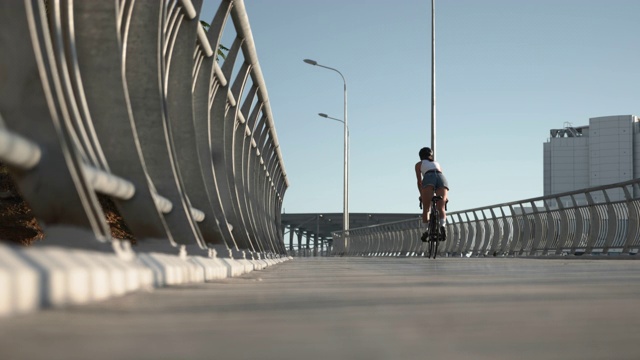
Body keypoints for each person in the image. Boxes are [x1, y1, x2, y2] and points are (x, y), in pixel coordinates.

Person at [415, 147, 449, 242]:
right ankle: (442, 226)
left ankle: (425, 231)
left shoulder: (419, 164)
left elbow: (419, 182)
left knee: (426, 208)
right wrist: (446, 198)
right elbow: (440, 174)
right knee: (441, 207)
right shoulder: (437, 164)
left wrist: (422, 195)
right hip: (442, 178)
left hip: (429, 177)